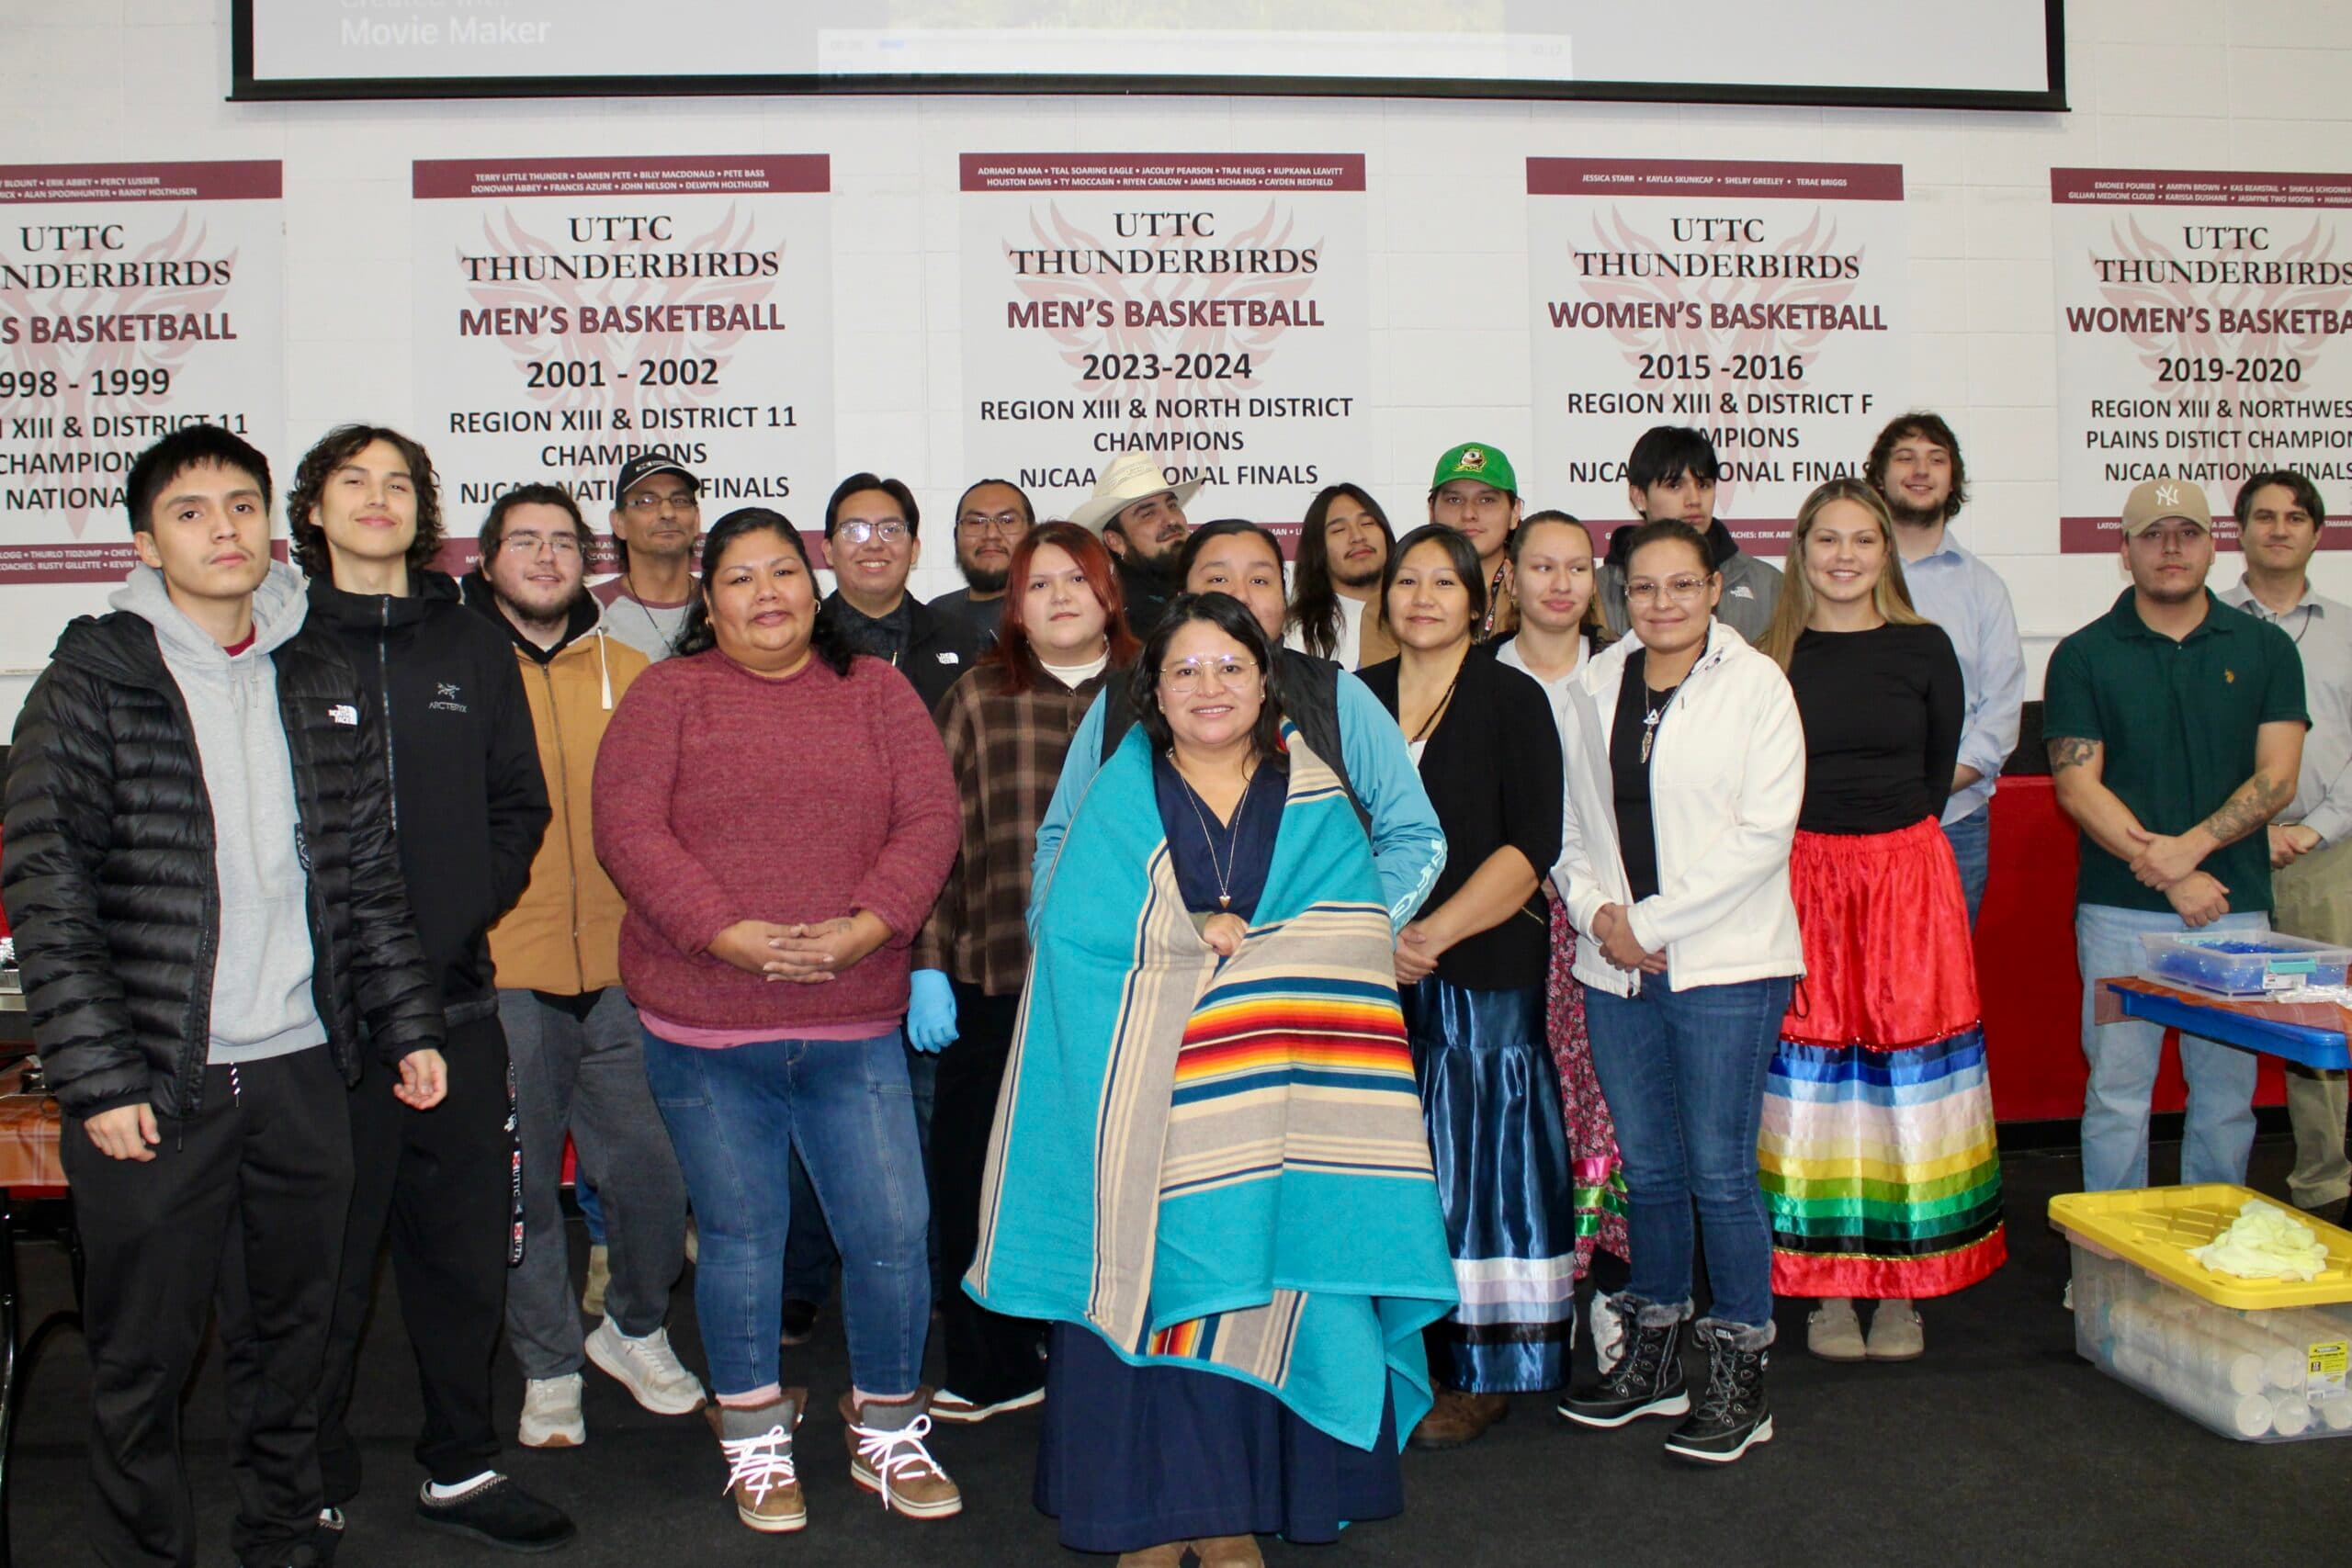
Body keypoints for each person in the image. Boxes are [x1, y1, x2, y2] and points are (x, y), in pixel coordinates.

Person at [2, 425, 448, 1568]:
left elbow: (367, 876)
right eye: (192, 512)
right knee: (142, 1362)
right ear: (146, 541)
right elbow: (47, 896)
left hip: (303, 1071)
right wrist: (98, 1077)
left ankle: (285, 1541)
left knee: (293, 1344)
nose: (224, 530)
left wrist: (405, 1024)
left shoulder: (319, 670)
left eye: (243, 506)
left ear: (273, 525)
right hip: (157, 1082)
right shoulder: (89, 681)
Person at [967, 592, 1457, 1566]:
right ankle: (1147, 1519)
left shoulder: (1311, 792)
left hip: (1276, 1103)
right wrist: (1186, 944)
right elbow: (1070, 927)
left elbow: (1356, 926)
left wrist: (1260, 955)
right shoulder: (1121, 791)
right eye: (1184, 670)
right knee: (1148, 1296)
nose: (1209, 687)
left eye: (1229, 667)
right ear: (1153, 689)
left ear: (1265, 678)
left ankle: (1234, 1516)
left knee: (1263, 1292)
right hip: (1140, 1110)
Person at [592, 506, 963, 1534]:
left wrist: (868, 927)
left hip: (854, 1018)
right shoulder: (669, 696)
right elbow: (626, 828)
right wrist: (724, 934)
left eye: (784, 574)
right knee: (745, 1238)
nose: (767, 594)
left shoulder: (879, 693)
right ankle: (754, 1437)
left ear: (815, 587)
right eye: (740, 578)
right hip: (706, 1027)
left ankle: (886, 1424)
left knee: (894, 1233)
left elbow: (930, 818)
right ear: (708, 602)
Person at [294, 425, 566, 1553]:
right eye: (353, 482)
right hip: (312, 1026)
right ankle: (303, 1474)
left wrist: (440, 926)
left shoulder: (470, 643)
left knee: (460, 1258)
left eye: (397, 483)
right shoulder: (277, 643)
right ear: (312, 510)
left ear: (423, 511)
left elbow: (520, 809)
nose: (376, 499)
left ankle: (460, 1464)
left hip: (456, 1010)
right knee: (320, 1265)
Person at [1554, 518, 1804, 1465]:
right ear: (1620, 594)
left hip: (1725, 966)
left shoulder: (1756, 686)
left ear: (1714, 590)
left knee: (1717, 1172)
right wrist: (1599, 915)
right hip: (1613, 967)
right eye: (1643, 588)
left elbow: (1762, 834)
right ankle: (1653, 1363)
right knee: (1649, 1171)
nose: (1661, 604)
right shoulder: (1591, 683)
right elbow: (1570, 830)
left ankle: (1741, 1373)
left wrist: (1649, 923)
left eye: (1681, 586)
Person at [461, 484, 701, 1449]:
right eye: (525, 541)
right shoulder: (458, 675)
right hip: (503, 972)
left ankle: (633, 1328)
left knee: (652, 1176)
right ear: (486, 563)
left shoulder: (641, 673)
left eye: (564, 541)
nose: (548, 557)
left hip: (624, 969)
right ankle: (550, 1365)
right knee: (520, 1189)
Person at [1755, 479, 2005, 1364]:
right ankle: (1826, 1285)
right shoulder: (1770, 654)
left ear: (1885, 554)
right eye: (1828, 540)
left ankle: (1906, 1284)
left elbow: (1939, 771)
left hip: (1906, 874)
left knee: (1911, 1076)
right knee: (1816, 1078)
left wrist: (1889, 854)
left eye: (1864, 540)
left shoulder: (1927, 646)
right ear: (1802, 551)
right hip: (1803, 877)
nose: (1846, 557)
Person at [906, 522, 1141, 1425]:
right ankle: (990, 1363)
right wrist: (927, 962)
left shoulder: (1154, 691)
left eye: (1075, 579)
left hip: (1127, 990)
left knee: (1106, 1182)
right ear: (1014, 605)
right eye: (1037, 585)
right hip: (995, 978)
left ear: (1108, 590)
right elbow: (932, 838)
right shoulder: (976, 695)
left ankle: (1110, 1357)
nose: (1058, 598)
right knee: (976, 1177)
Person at [1355, 524, 1569, 1447]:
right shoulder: (1350, 701)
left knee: (1479, 1170)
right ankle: (1379, 1357)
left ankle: (1480, 1367)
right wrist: (1378, 936)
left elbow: (1534, 843)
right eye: (1407, 581)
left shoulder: (1511, 698)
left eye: (1445, 582)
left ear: (1480, 601)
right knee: (1380, 1163)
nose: (1424, 598)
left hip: (1480, 962)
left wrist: (1432, 931)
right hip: (1366, 972)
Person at [2045, 478, 2306, 1195]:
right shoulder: (2083, 654)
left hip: (2234, 911)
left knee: (2225, 1100)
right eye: (2153, 535)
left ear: (2213, 546)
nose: (2171, 548)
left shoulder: (2265, 648)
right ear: (2124, 552)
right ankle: (2111, 1266)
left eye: (2187, 534)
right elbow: (2077, 784)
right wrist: (2166, 867)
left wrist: (2186, 852)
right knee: (2118, 1097)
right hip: (2116, 915)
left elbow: (2277, 779)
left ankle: (2208, 1246)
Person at [1033, 519, 1447, 938]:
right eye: (1217, 578)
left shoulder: (1338, 695)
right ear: (1182, 599)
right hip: (1149, 975)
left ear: (1285, 598)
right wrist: (1060, 942)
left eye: (1260, 579)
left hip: (1304, 980)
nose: (1239, 594)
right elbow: (1061, 843)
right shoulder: (1120, 701)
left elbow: (1414, 836)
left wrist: (1356, 931)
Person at [1491, 513, 1631, 1319]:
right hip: (1508, 933)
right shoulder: (1480, 674)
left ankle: (1617, 1297)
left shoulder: (1623, 673)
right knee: (1529, 1110)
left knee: (1608, 1110)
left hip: (1606, 929)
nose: (1559, 583)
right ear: (1508, 574)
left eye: (1576, 567)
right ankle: (1537, 1289)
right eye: (1540, 566)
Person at [2223, 470, 2352, 1223]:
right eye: (2264, 516)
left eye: (2295, 517)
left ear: (2316, 532)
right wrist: (2247, 828)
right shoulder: (2208, 624)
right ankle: (2226, 1186)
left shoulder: (2345, 627)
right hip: (2227, 854)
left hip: (2326, 851)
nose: (2279, 528)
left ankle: (2325, 1187)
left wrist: (2314, 826)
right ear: (2239, 531)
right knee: (2230, 1021)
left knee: (2322, 1024)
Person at [1866, 412, 2025, 923]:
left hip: (1954, 822)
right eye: (1906, 457)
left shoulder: (1983, 588)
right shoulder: (1845, 578)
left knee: (1944, 987)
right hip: (1854, 822)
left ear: (1952, 480)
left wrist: (1930, 787)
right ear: (1879, 476)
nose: (1921, 470)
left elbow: (1999, 714)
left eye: (1937, 459)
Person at [1596, 426, 1782, 644]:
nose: (1694, 499)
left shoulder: (1768, 584)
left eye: (1704, 485)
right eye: (1675, 486)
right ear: (1639, 497)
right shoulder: (1599, 588)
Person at [817, 470, 983, 711]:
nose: (874, 544)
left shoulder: (962, 639)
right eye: (855, 530)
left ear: (914, 549)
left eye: (891, 529)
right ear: (829, 550)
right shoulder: (802, 638)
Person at [1068, 451, 1200, 638]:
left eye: (1172, 506)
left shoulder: (1199, 587)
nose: (1170, 520)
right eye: (1148, 514)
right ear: (1115, 541)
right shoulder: (1127, 622)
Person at [594, 447, 703, 662]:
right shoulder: (590, 611)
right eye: (646, 501)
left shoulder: (723, 602)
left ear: (697, 519)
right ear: (619, 523)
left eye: (680, 500)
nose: (667, 513)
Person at [1285, 481, 1397, 668]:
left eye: (1367, 523)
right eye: (1339, 530)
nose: (1358, 536)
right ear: (1318, 549)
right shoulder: (1298, 635)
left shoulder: (1417, 613)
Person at [1427, 443, 1522, 637]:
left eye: (1486, 500)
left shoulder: (1545, 590)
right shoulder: (1400, 595)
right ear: (1431, 511)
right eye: (1454, 500)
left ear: (1515, 512)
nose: (1469, 514)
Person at [929, 478, 1035, 647]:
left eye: (1007, 521)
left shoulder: (1055, 610)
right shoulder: (935, 617)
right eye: (976, 522)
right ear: (956, 537)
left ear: (1032, 533)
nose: (991, 534)